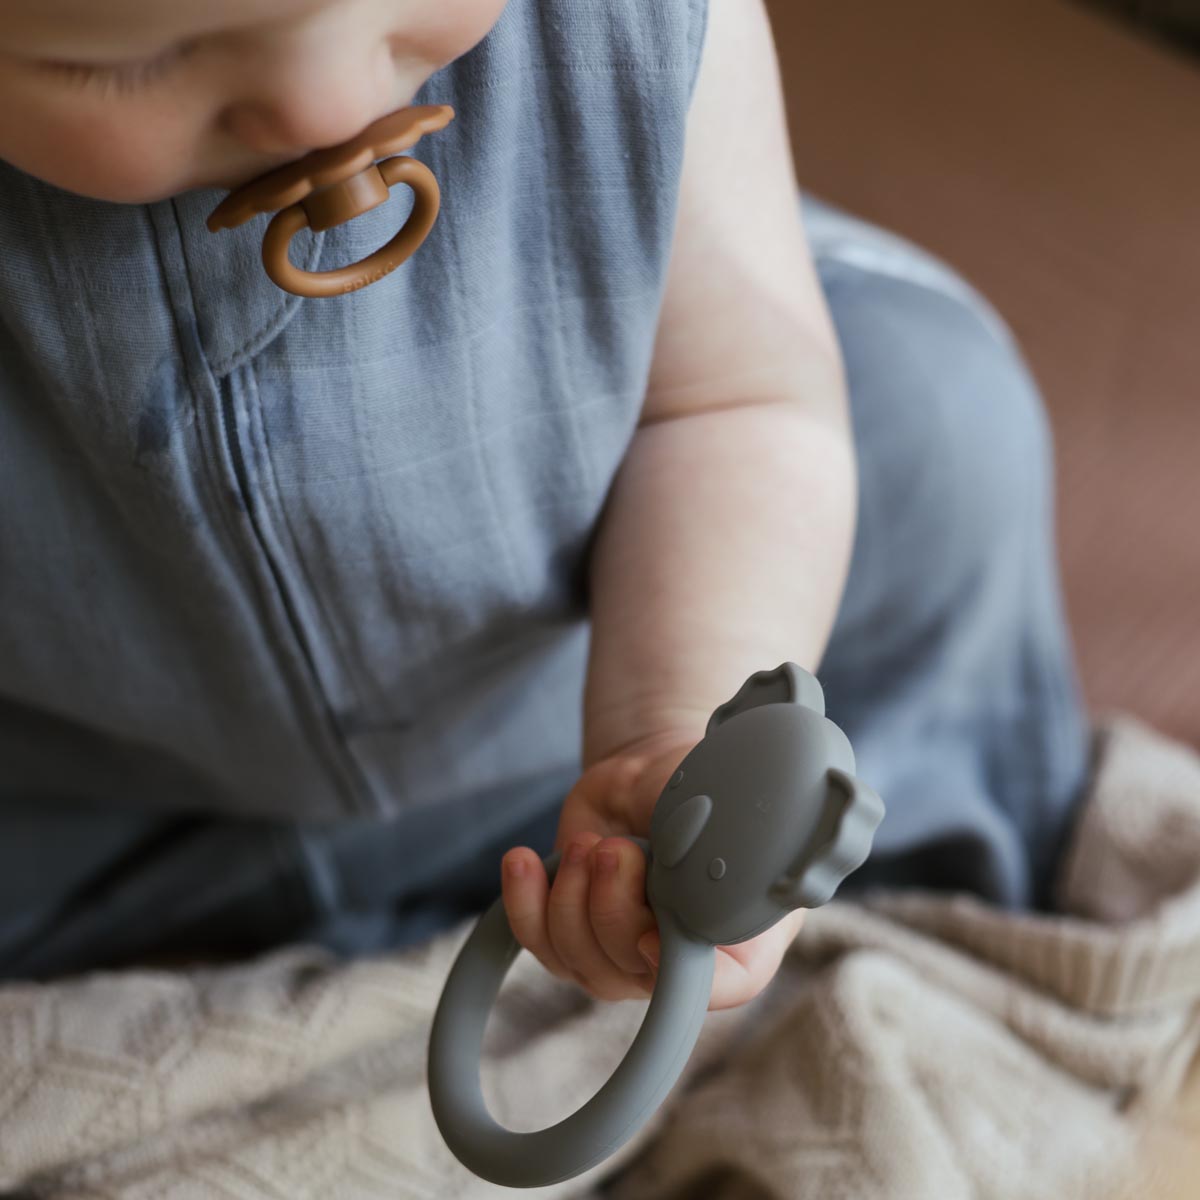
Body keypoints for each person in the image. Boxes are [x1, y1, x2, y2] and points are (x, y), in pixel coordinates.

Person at [0, 0, 1089, 1010]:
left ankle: (932, 871)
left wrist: (669, 727)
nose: (327, 105)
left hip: (566, 693)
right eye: (130, 59)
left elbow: (733, 402)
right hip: (116, 790)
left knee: (943, 425)